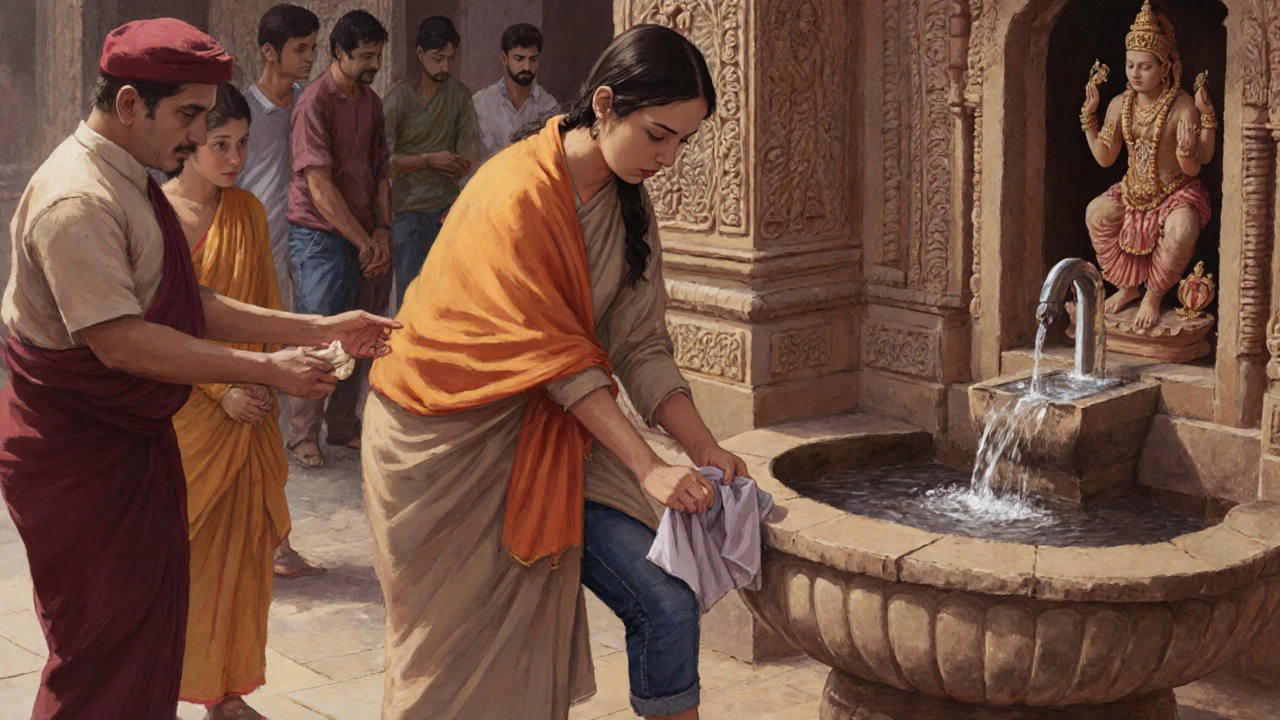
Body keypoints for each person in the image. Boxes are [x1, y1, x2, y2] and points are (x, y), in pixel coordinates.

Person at [0, 19, 397, 720]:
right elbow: (123, 342)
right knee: (100, 654)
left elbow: (186, 302)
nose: (195, 136)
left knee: (142, 639)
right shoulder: (78, 200)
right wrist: (270, 371)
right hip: (81, 456)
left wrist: (318, 326)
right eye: (187, 115)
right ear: (129, 106)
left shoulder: (129, 180)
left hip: (131, 445)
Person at [363, 24, 745, 720]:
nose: (669, 157)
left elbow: (640, 345)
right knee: (451, 669)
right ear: (605, 104)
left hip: (555, 437)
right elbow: (557, 357)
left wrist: (703, 446)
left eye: (683, 141)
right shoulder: (514, 192)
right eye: (659, 135)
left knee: (667, 602)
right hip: (446, 446)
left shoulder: (628, 203)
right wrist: (646, 465)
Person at [162, 84, 289, 720]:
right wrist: (220, 389)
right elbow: (148, 335)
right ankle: (151, 688)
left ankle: (226, 694)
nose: (234, 157)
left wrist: (266, 377)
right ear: (187, 144)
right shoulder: (153, 214)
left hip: (248, 411)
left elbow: (264, 312)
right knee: (172, 566)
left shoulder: (249, 213)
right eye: (220, 145)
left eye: (242, 144)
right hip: (178, 414)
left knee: (239, 563)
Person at [237, 1, 327, 579]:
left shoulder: (306, 109)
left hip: (289, 268)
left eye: (313, 48)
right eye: (301, 49)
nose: (309, 58)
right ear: (270, 52)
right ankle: (257, 544)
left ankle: (274, 541)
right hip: (241, 270)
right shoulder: (239, 112)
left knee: (265, 413)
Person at [287, 10, 394, 468]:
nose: (374, 64)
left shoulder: (371, 102)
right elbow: (319, 183)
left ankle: (344, 425)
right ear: (339, 53)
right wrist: (361, 240)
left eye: (378, 55)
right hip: (320, 238)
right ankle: (302, 436)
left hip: (364, 238)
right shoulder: (314, 102)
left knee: (362, 335)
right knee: (321, 337)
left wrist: (383, 233)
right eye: (366, 56)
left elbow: (380, 174)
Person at [1082, 0, 1215, 330]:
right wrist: (1090, 118)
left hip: (1174, 192)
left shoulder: (1182, 106)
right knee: (1096, 213)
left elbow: (1195, 168)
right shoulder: (1119, 105)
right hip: (1132, 192)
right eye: (1130, 66)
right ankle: (1127, 288)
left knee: (1182, 228)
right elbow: (1105, 158)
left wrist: (1186, 152)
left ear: (1165, 67)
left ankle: (1153, 296)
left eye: (1145, 67)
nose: (1135, 74)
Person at [383, 16, 479, 308]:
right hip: (407, 212)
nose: (445, 68)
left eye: (451, 59)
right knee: (410, 298)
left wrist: (457, 164)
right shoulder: (398, 99)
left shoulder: (460, 97)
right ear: (420, 54)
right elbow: (384, 163)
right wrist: (428, 160)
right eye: (438, 59)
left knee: (447, 298)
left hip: (447, 211)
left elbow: (469, 158)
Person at [472, 23, 561, 164]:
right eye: (519, 59)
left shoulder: (548, 107)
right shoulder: (481, 103)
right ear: (504, 58)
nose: (527, 67)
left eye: (533, 59)